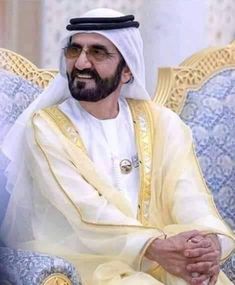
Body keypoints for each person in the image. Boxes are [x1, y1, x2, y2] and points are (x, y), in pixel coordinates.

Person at [0, 8, 234, 285]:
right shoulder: (46, 127)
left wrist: (208, 244)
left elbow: (189, 195)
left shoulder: (161, 122)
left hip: (160, 253)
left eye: (98, 53)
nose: (82, 63)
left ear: (126, 71)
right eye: (75, 51)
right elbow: (85, 211)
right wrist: (154, 247)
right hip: (86, 260)